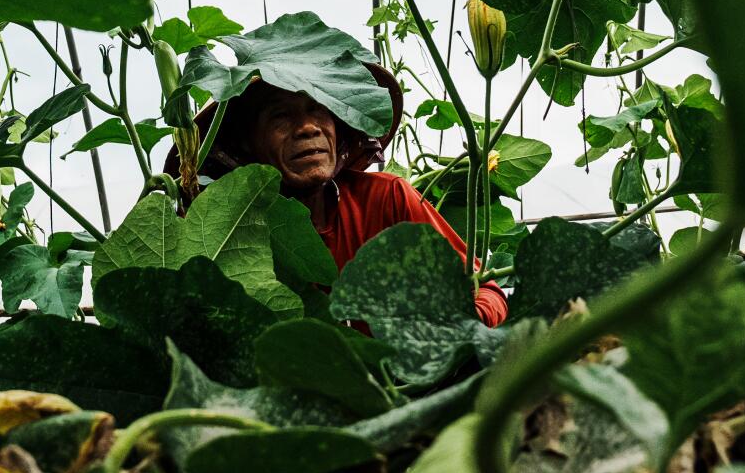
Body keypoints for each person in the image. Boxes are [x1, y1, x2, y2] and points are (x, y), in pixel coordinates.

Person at [179, 57, 508, 327]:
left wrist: (454, 331)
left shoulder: (387, 200)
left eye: (319, 109)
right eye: (281, 116)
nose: (308, 127)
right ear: (247, 143)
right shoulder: (229, 234)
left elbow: (487, 290)